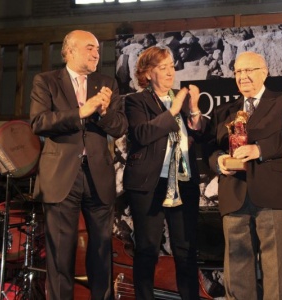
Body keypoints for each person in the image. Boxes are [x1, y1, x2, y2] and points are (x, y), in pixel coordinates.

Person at [30, 30, 128, 299]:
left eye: (97, 49)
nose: (96, 53)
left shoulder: (107, 83)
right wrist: (80, 113)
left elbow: (120, 127)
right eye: (89, 48)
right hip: (61, 176)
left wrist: (104, 112)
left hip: (98, 175)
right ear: (69, 51)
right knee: (61, 254)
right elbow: (38, 123)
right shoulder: (47, 81)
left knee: (101, 251)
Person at [206, 51, 282, 300]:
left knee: (277, 272)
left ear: (264, 72)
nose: (243, 76)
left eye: (249, 70)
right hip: (234, 195)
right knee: (236, 273)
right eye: (238, 71)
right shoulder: (224, 111)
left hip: (273, 196)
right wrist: (218, 161)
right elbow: (210, 147)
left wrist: (259, 149)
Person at [122, 45, 206, 300]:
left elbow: (199, 131)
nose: (171, 72)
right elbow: (142, 134)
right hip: (149, 183)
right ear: (148, 73)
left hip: (183, 182)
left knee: (186, 250)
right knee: (147, 249)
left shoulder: (180, 100)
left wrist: (193, 108)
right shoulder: (136, 101)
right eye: (163, 68)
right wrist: (174, 109)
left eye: (172, 67)